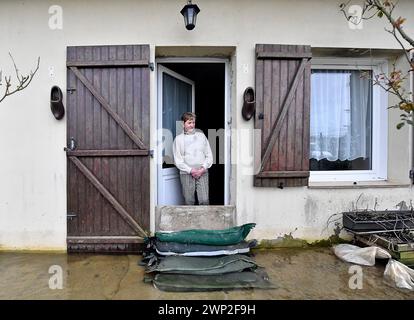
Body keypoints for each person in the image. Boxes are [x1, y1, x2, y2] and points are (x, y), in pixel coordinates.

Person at [173, 112, 213, 205]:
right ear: (183, 124)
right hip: (186, 173)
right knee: (189, 201)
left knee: (204, 200)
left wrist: (202, 169)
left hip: (202, 172)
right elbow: (178, 161)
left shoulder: (201, 136)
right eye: (189, 123)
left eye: (193, 122)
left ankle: (204, 219)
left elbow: (209, 155)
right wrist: (191, 170)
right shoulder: (178, 139)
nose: (192, 125)